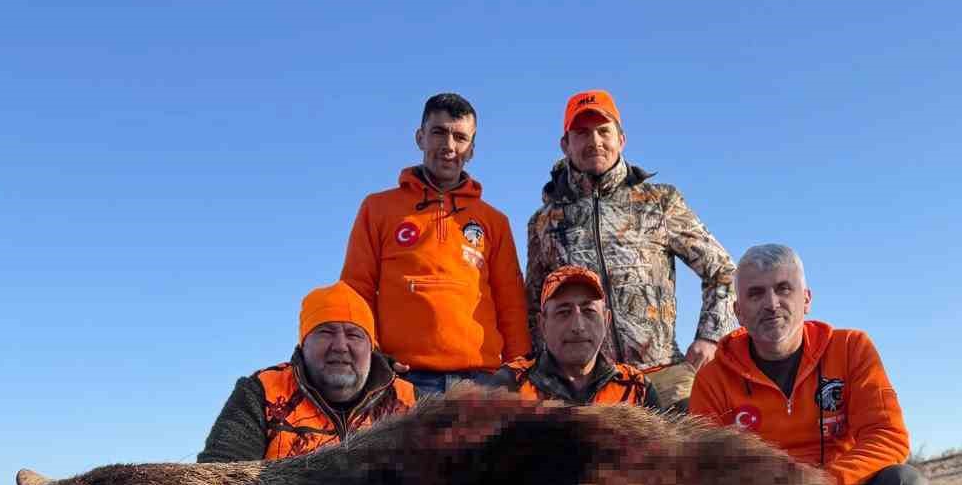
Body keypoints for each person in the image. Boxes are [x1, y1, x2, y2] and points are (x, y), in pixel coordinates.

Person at [689, 244, 933, 485]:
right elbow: (705, 470)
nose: (771, 304)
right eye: (756, 294)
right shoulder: (712, 379)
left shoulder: (851, 348)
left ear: (806, 299)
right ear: (738, 312)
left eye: (783, 289)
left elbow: (888, 435)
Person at [525, 89, 735, 409]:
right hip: (586, 387)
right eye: (582, 133)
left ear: (621, 139)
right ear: (565, 144)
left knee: (702, 437)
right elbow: (534, 306)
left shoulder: (660, 202)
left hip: (663, 375)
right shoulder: (544, 221)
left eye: (603, 131)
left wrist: (711, 336)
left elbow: (723, 271)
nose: (594, 141)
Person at [341, 92, 530, 395]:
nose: (449, 146)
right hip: (402, 379)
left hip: (481, 381)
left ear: (472, 149)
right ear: (420, 137)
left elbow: (511, 303)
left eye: (461, 137)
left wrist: (518, 369)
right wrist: (371, 355)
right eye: (439, 132)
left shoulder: (494, 221)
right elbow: (355, 290)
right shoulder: (377, 208)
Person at [198, 282, 414, 462]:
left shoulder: (410, 401)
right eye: (325, 332)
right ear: (303, 344)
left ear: (371, 348)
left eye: (354, 335)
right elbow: (220, 475)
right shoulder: (262, 391)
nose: (340, 346)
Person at [488, 265, 660, 407]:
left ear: (606, 320)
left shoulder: (637, 388)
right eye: (563, 312)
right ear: (543, 324)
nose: (578, 326)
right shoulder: (510, 384)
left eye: (589, 311)